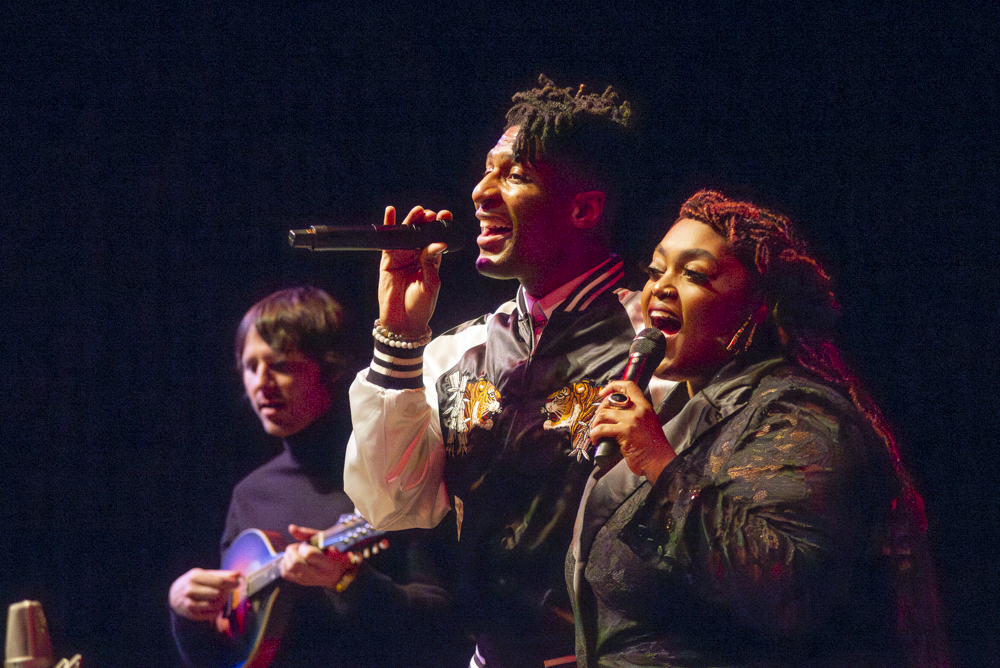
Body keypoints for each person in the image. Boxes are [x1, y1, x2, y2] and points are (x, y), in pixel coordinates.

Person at [344, 75, 670, 667]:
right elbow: (391, 505)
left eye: (514, 175)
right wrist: (399, 335)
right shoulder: (456, 352)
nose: (480, 191)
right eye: (487, 170)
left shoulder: (654, 343)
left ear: (584, 207)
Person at [571, 190, 951, 667]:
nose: (661, 288)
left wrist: (659, 466)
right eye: (655, 270)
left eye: (694, 274)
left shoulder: (800, 413)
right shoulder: (683, 413)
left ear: (758, 309)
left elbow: (788, 591)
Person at [168, 286, 469, 668]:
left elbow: (443, 627)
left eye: (280, 364)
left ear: (329, 367)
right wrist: (184, 612)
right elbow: (226, 658)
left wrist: (349, 580)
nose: (262, 382)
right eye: (250, 366)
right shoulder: (251, 494)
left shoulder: (396, 466)